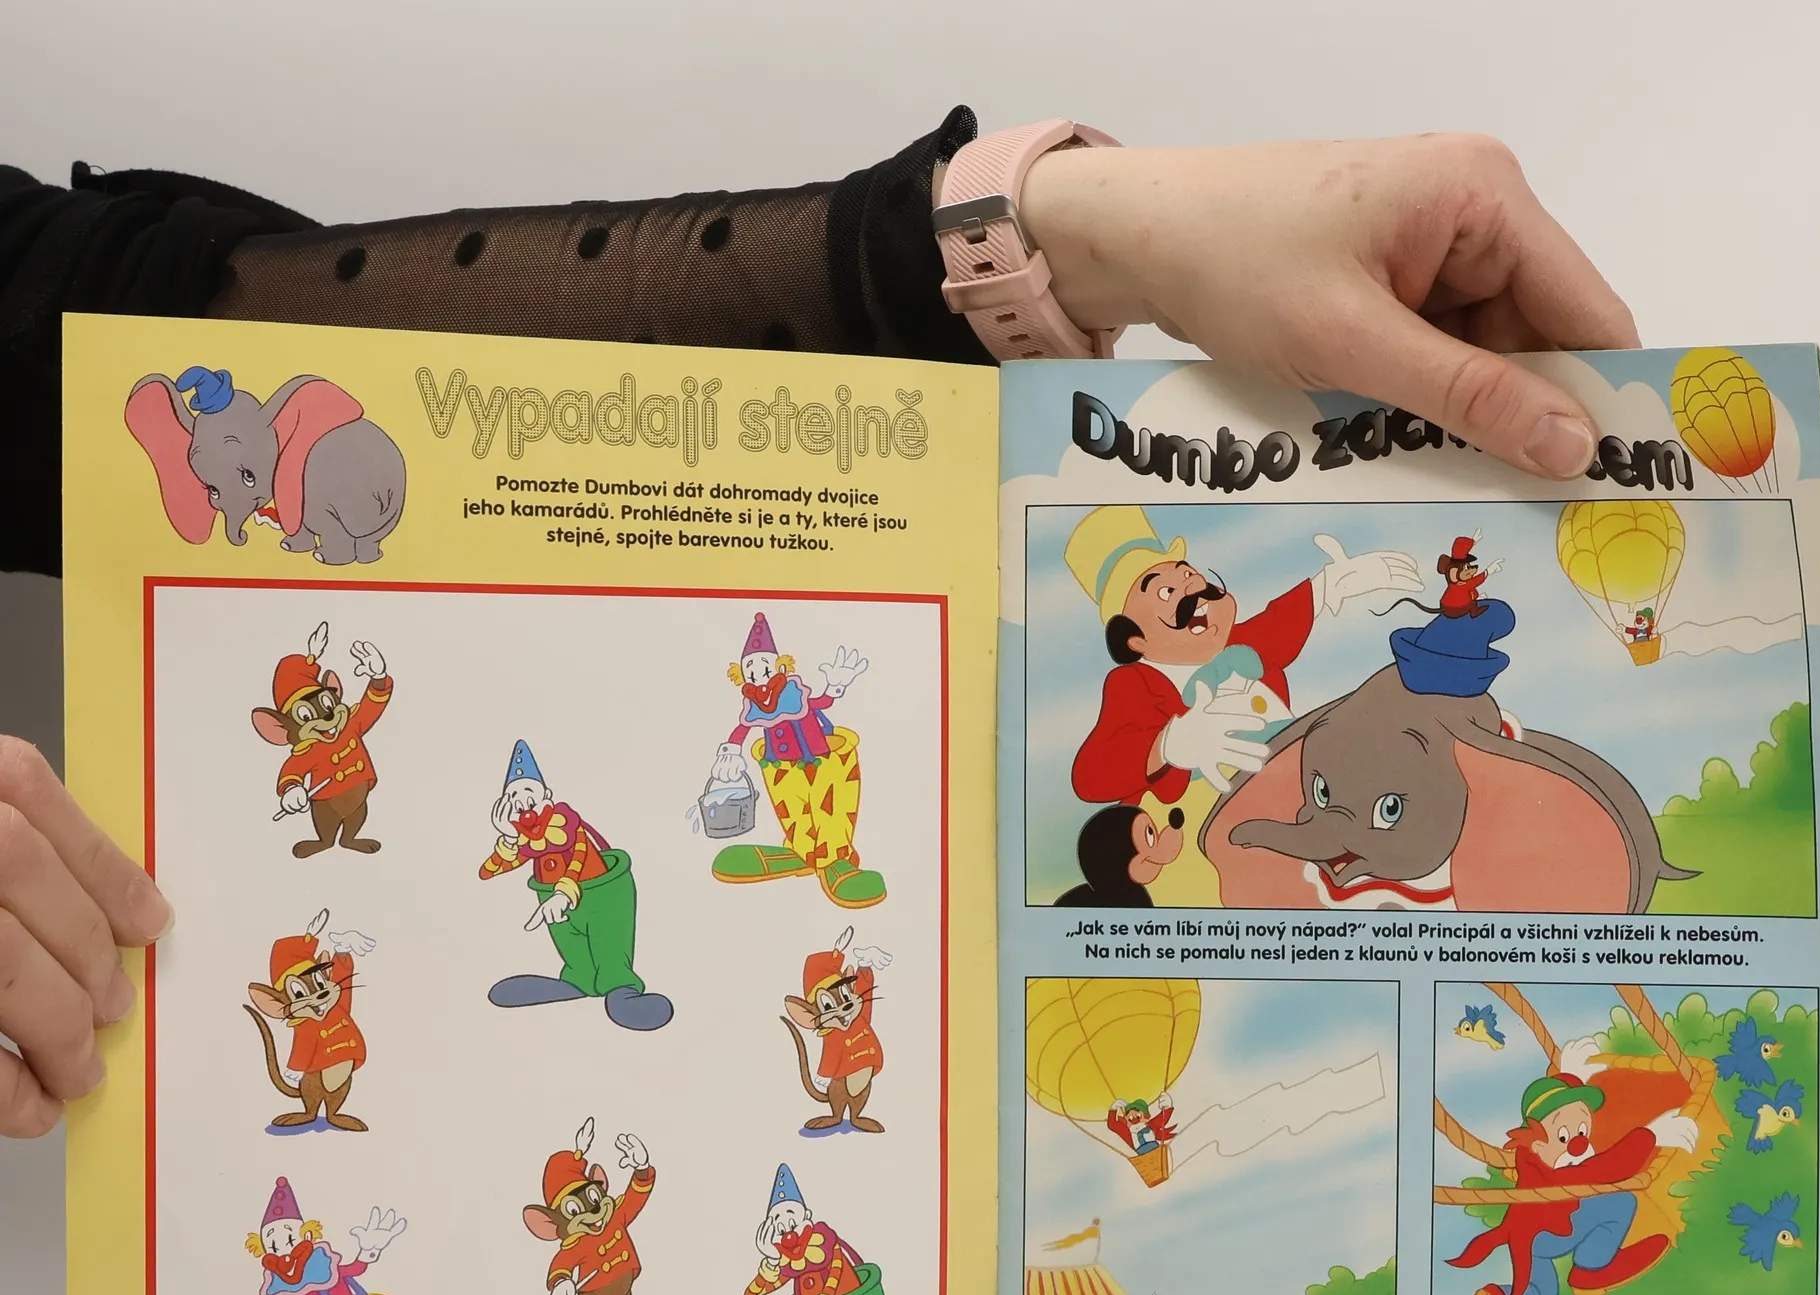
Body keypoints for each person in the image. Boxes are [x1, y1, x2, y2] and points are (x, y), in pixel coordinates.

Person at [0, 114, 1636, 1137]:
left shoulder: (1228, 666)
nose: (1194, 604)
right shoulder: (1146, 722)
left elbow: (106, 324)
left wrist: (1063, 228)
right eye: (1169, 599)